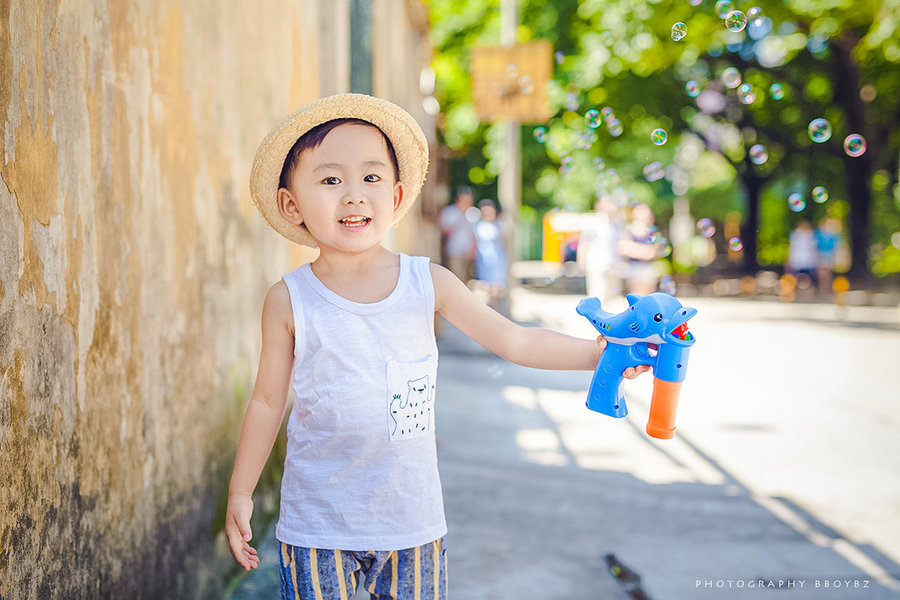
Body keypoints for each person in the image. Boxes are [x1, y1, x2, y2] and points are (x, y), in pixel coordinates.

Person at [225, 93, 650, 600]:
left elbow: (514, 340)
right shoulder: (288, 299)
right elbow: (268, 401)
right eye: (331, 179)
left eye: (371, 177)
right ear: (291, 204)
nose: (355, 195)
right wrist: (240, 490)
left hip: (412, 520)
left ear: (399, 196)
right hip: (318, 522)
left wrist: (598, 357)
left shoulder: (429, 283)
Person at [616, 203, 659, 296]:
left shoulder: (651, 231)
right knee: (637, 298)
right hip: (635, 268)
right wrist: (642, 251)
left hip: (648, 268)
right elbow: (622, 247)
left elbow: (656, 250)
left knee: (649, 298)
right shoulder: (630, 230)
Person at [472, 199, 508, 309]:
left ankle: (494, 304)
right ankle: (488, 305)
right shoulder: (478, 225)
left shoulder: (499, 224)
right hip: (483, 256)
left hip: (496, 256)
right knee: (485, 282)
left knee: (496, 282)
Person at [439, 186, 477, 283]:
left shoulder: (474, 213)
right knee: (456, 274)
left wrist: (473, 249)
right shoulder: (450, 212)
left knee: (467, 275)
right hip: (454, 249)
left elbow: (475, 234)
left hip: (468, 250)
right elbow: (444, 228)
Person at [788, 220, 818, 289]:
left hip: (806, 260)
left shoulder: (810, 235)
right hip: (800, 259)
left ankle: (806, 288)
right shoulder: (796, 235)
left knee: (806, 276)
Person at [815, 217, 842, 296]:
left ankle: (826, 288)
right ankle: (823, 288)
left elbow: (836, 246)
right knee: (822, 273)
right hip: (821, 255)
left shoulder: (833, 236)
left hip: (829, 255)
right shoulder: (819, 234)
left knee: (828, 272)